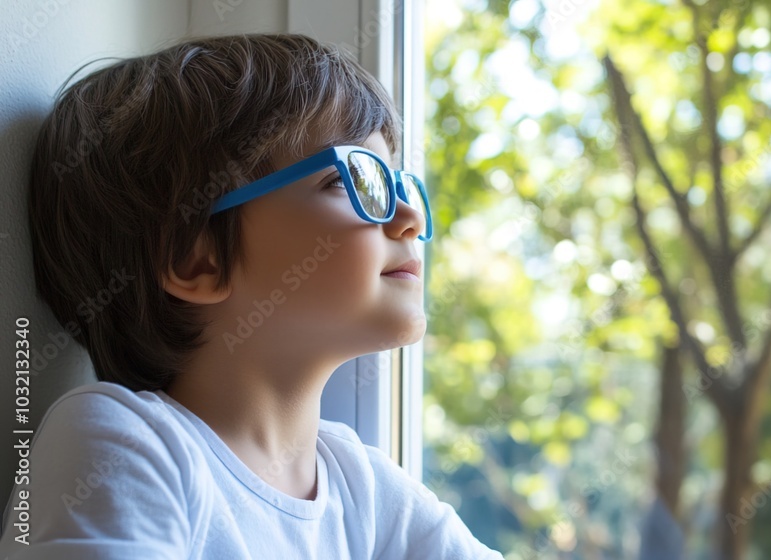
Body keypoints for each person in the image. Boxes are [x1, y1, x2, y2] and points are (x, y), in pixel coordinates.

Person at [0, 33, 501, 558]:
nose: (411, 217)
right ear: (197, 259)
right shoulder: (121, 444)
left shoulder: (367, 490)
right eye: (352, 180)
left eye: (398, 185)